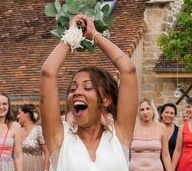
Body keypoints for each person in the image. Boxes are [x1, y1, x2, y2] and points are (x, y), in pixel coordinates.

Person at [40, 14, 138, 171]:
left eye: (87, 87)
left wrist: (93, 34)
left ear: (106, 99)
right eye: (73, 89)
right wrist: (73, 33)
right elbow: (48, 72)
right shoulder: (59, 140)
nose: (77, 92)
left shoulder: (119, 137)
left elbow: (129, 70)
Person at [129, 98, 172, 171]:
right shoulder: (132, 128)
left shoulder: (161, 128)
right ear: (138, 112)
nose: (145, 112)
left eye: (148, 108)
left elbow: (166, 156)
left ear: (153, 110)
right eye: (142, 109)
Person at [17, 104, 49, 171]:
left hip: (36, 166)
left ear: (26, 114)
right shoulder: (18, 131)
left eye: (19, 113)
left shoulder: (38, 130)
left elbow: (46, 151)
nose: (17, 116)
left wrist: (46, 169)